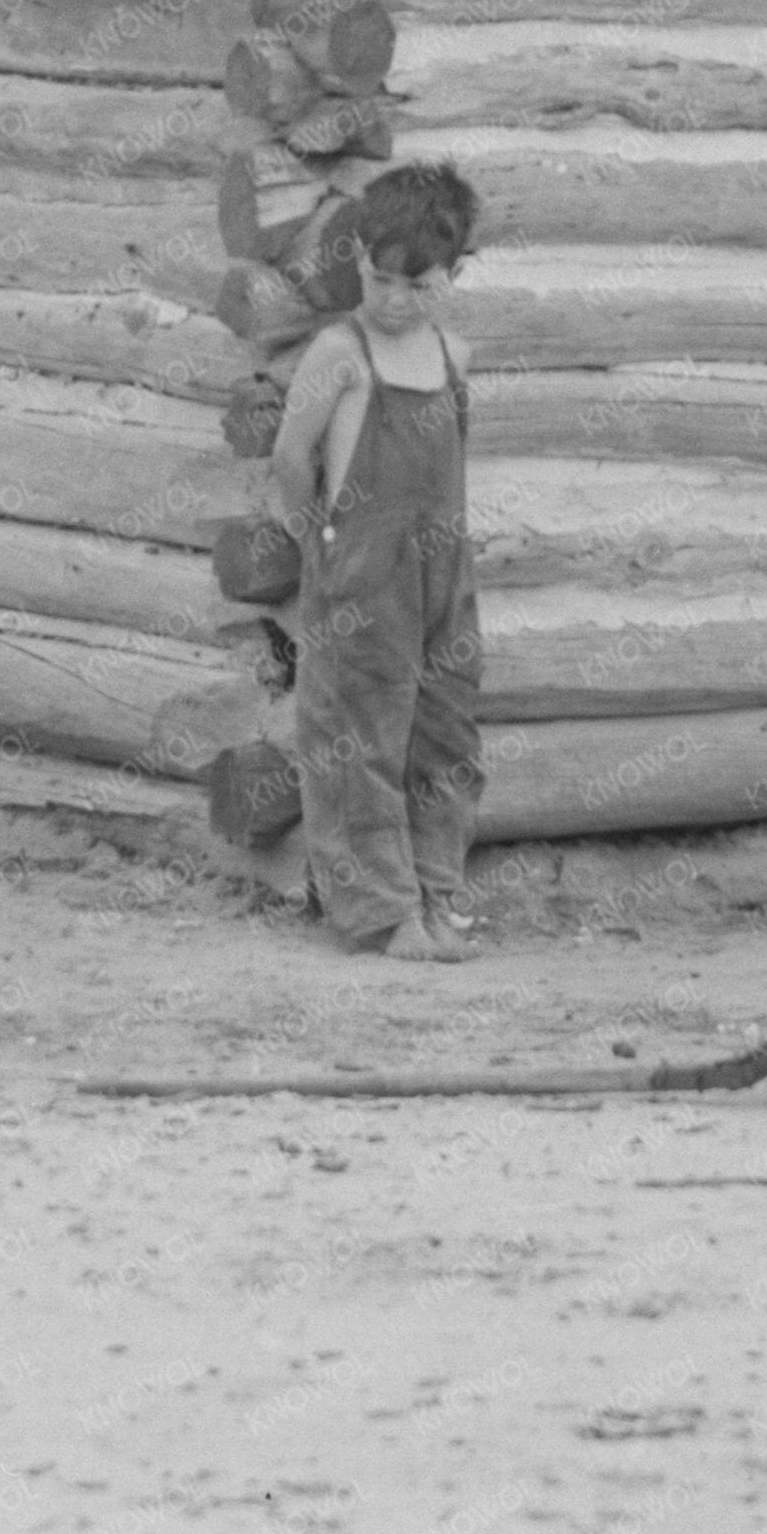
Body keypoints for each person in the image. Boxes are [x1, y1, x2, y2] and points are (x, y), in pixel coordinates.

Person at [268, 160, 488, 962]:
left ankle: (436, 890)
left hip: (443, 580)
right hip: (363, 575)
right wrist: (317, 543)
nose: (394, 299)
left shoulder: (455, 356)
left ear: (453, 274)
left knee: (444, 733)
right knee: (357, 735)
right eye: (379, 277)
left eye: (417, 283)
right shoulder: (341, 350)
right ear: (359, 258)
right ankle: (383, 910)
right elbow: (292, 459)